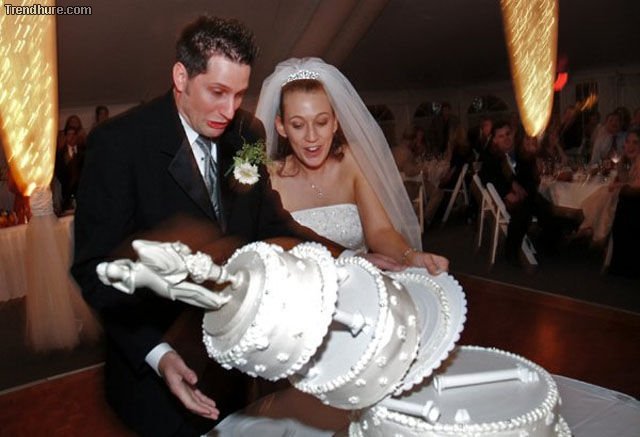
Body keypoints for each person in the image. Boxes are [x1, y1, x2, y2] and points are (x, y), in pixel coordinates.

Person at [71, 17, 334, 437]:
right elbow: (95, 270)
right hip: (157, 376)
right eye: (217, 92)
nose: (230, 111)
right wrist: (157, 354)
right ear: (181, 77)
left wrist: (343, 255)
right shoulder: (119, 143)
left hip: (235, 364)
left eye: (239, 94)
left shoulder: (246, 133)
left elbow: (269, 220)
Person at [255, 57, 449, 275]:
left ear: (335, 122)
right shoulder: (269, 178)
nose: (312, 136)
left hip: (361, 284)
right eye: (298, 125)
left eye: (321, 122)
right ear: (281, 127)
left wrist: (411, 256)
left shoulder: (353, 160)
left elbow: (380, 231)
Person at [579, 128, 640, 242]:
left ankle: (591, 231)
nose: (630, 146)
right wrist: (621, 161)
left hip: (634, 205)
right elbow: (625, 179)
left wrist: (618, 185)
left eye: (635, 142)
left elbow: (636, 185)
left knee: (607, 193)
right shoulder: (633, 161)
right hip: (629, 201)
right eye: (628, 142)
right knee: (607, 194)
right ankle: (592, 230)